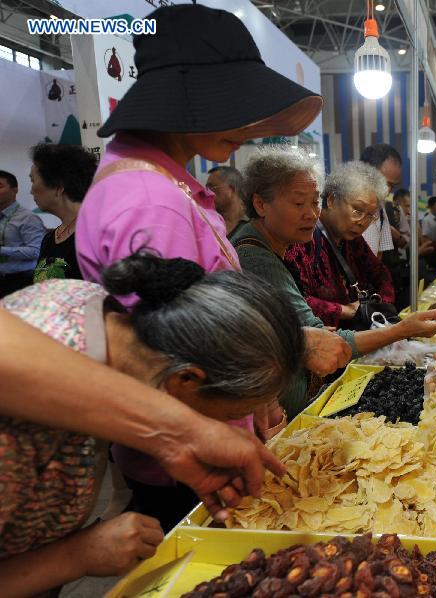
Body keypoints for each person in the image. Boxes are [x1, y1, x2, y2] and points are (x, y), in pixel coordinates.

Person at [74, 2, 326, 526]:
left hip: (206, 437)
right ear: (183, 101)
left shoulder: (160, 184)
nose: (247, 127)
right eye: (230, 103)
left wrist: (257, 402)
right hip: (194, 456)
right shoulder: (151, 199)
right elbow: (174, 354)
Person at [0, 250, 305, 594]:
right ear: (186, 380)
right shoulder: (19, 432)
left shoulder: (93, 313)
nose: (228, 427)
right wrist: (74, 556)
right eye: (233, 415)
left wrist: (167, 438)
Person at [232, 146, 436, 417]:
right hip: (282, 408)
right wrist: (400, 329)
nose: (311, 214)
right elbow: (324, 342)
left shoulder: (280, 244)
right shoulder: (257, 258)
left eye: (313, 201)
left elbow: (378, 276)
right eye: (298, 203)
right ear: (260, 204)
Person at [287, 161, 397, 327]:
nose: (363, 222)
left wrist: (377, 302)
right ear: (331, 200)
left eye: (370, 215)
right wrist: (345, 311)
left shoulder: (353, 240)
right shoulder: (302, 237)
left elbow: (381, 275)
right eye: (358, 211)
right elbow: (293, 300)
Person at [29, 143, 98, 282]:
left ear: (58, 187)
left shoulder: (94, 235)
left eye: (33, 180)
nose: (31, 190)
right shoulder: (49, 239)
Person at [0, 170, 45, 297]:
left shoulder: (28, 218)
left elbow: (36, 251)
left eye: (0, 186)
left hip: (18, 281)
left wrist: (2, 250)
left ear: (15, 190)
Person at [360, 143, 403, 257]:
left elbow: (379, 254)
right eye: (384, 183)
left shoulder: (380, 211)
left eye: (392, 186)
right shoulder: (340, 209)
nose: (387, 191)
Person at [207, 165, 249, 239]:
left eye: (212, 187)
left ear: (232, 189)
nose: (208, 193)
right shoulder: (207, 223)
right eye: (207, 188)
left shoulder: (254, 224)